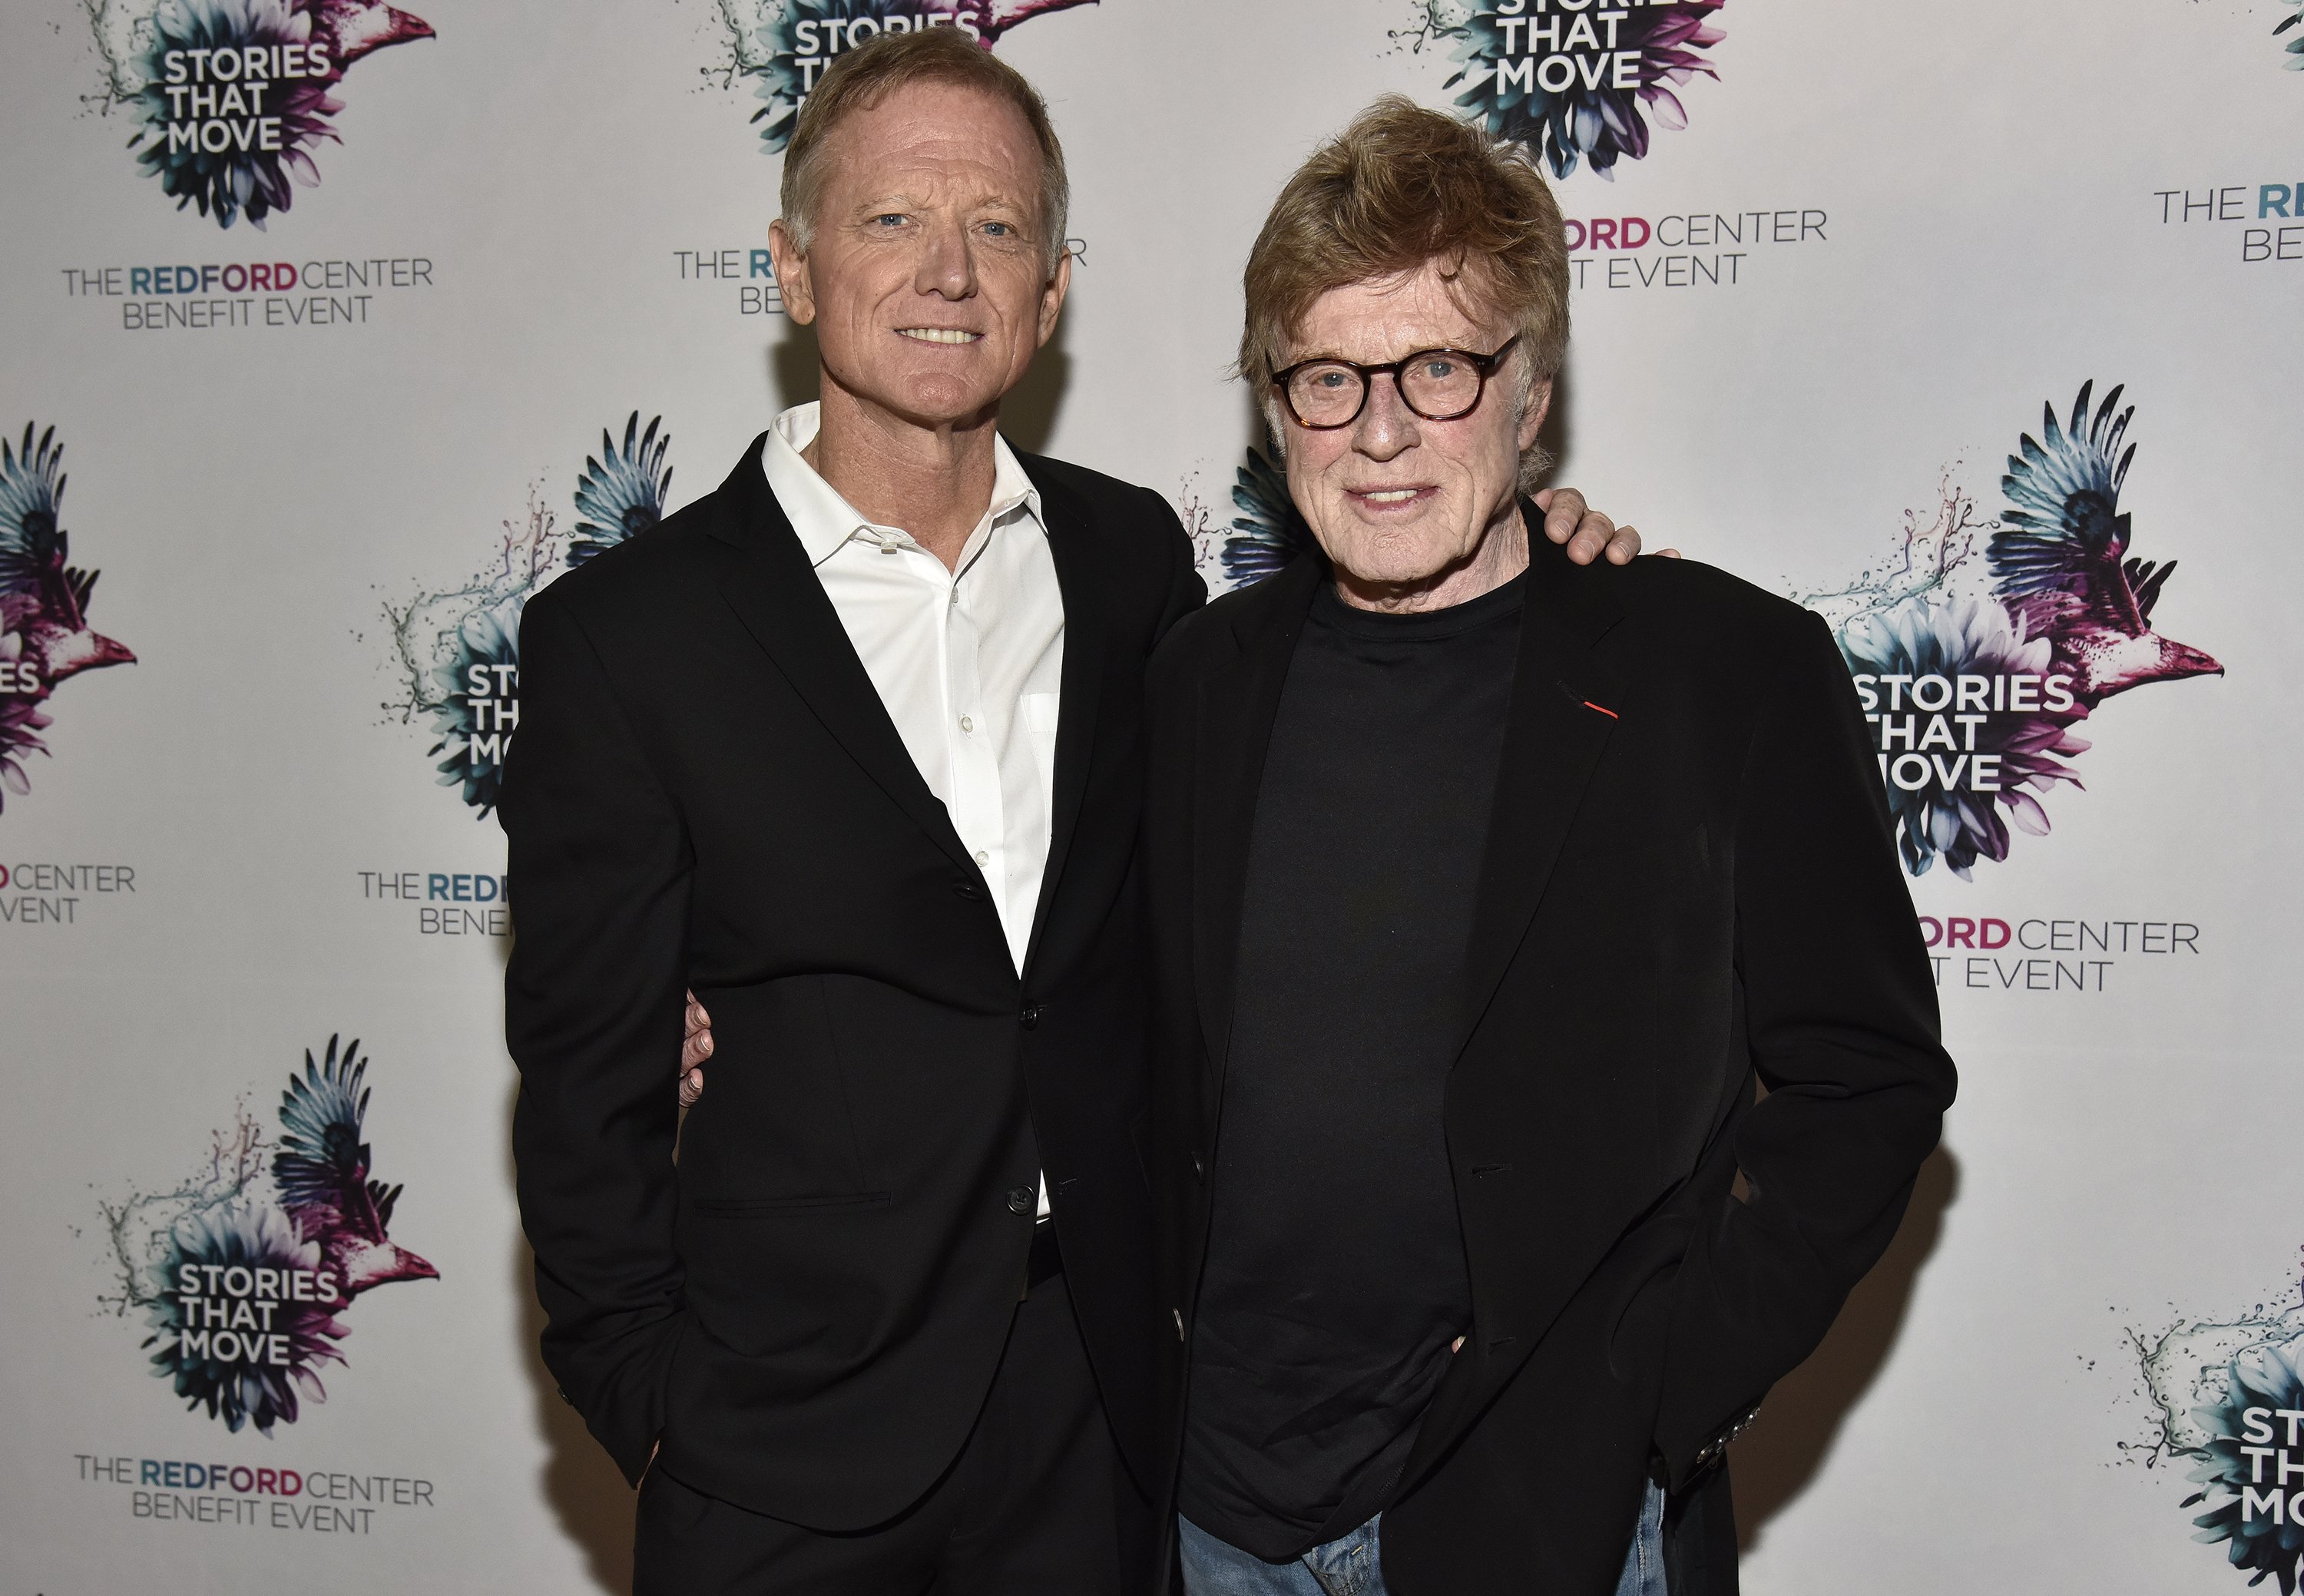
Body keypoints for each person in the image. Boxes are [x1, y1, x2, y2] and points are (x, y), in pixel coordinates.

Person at [501, 29, 1641, 1596]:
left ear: (1051, 291)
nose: (948, 271)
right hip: (780, 1451)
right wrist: (657, 1411)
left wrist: (1532, 543)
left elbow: (1371, 690)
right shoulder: (627, 639)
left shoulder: (1132, 575)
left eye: (1000, 228)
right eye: (892, 219)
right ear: (792, 266)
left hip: (1101, 1423)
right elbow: (580, 1098)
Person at [1139, 99, 1958, 1596]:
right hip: (1214, 1517)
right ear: (1273, 407)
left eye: (1437, 368)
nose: (1380, 432)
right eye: (1328, 376)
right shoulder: (1197, 682)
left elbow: (1870, 1074)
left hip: (1553, 1519)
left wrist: (1668, 1391)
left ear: (1532, 391)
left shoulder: (1722, 672)